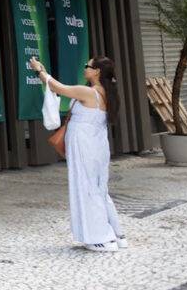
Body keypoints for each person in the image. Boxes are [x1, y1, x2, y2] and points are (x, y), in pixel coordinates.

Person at [29, 55, 128, 253]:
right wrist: (43, 71)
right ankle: (116, 234)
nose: (85, 68)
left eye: (87, 66)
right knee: (98, 188)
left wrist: (39, 70)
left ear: (97, 71)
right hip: (96, 145)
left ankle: (101, 237)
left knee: (87, 188)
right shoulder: (107, 93)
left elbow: (57, 87)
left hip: (84, 145)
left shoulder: (89, 92)